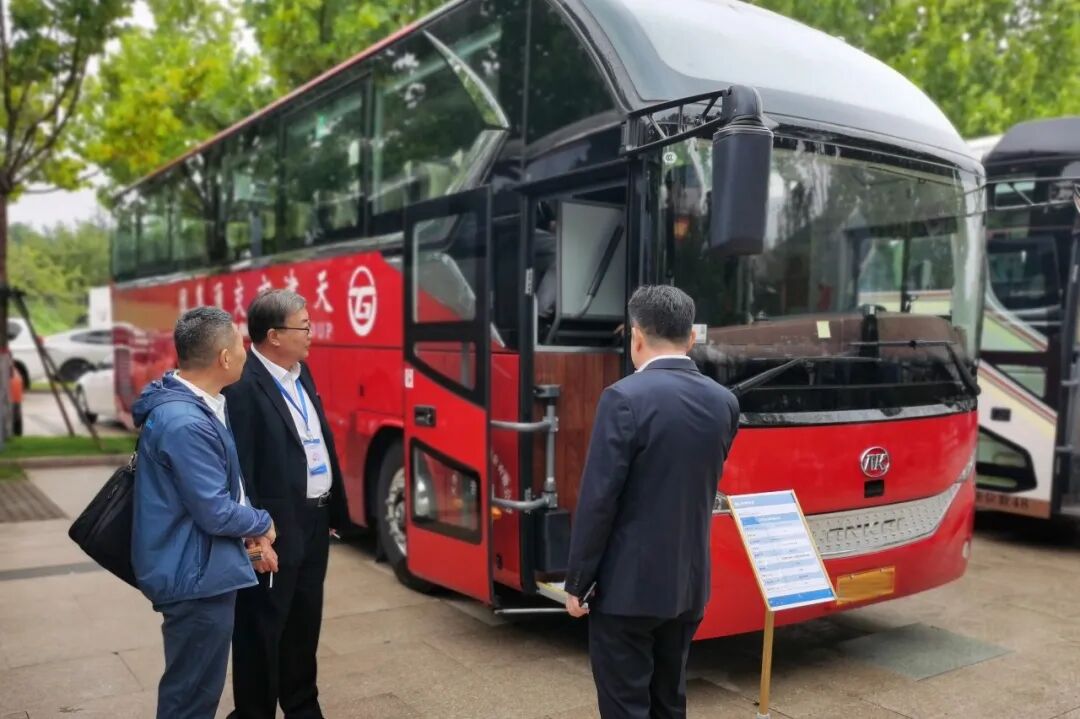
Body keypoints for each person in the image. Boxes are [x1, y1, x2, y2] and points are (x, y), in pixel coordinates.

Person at [563, 285, 740, 719]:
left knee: (625, 706)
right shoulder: (724, 403)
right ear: (691, 338)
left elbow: (599, 500)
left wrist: (578, 582)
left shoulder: (623, 398)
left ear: (637, 336)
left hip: (627, 590)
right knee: (669, 701)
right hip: (688, 586)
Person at [131, 307, 277, 719]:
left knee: (193, 689)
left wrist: (250, 537)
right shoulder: (185, 423)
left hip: (197, 567)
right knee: (191, 698)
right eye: (240, 344)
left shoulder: (197, 405)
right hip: (194, 578)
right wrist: (263, 523)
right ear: (225, 358)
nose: (246, 351)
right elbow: (214, 511)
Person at [226, 289, 348, 719]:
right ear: (274, 335)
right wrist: (253, 534)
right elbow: (240, 468)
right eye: (305, 326)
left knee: (304, 623)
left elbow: (315, 442)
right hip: (273, 527)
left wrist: (330, 510)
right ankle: (254, 713)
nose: (312, 333)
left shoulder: (300, 373)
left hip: (313, 520)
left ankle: (302, 707)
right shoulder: (243, 385)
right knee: (262, 629)